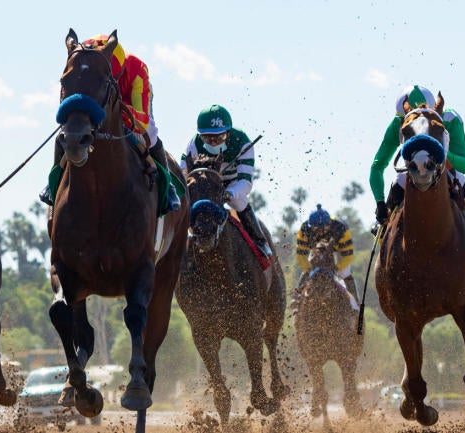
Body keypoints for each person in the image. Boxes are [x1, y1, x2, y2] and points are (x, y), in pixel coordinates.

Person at [40, 32, 180, 211]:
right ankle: (54, 181)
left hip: (129, 104)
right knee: (66, 133)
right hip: (94, 101)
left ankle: (169, 187)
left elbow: (143, 121)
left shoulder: (137, 70)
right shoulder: (83, 60)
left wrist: (116, 110)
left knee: (151, 136)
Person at [370, 84, 465, 225]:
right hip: (412, 169)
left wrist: (442, 152)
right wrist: (380, 203)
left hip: (445, 168)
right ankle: (381, 229)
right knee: (399, 180)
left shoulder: (450, 119)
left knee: (458, 176)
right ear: (403, 118)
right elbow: (377, 167)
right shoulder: (397, 124)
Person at [180, 104, 272, 258]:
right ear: (200, 135)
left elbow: (245, 182)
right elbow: (183, 176)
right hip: (205, 185)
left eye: (219, 137)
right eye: (207, 138)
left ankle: (260, 241)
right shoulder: (193, 144)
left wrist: (230, 193)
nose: (213, 142)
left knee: (238, 202)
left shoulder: (242, 142)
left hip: (233, 183)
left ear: (228, 133)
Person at [293, 204, 357, 307]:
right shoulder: (304, 229)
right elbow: (301, 255)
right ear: (310, 226)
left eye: (321, 229)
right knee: (306, 272)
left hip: (338, 250)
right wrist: (309, 269)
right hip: (315, 248)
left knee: (345, 273)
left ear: (329, 225)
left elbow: (348, 255)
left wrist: (336, 268)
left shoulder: (341, 228)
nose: (319, 233)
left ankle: (355, 305)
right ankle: (296, 301)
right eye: (315, 229)